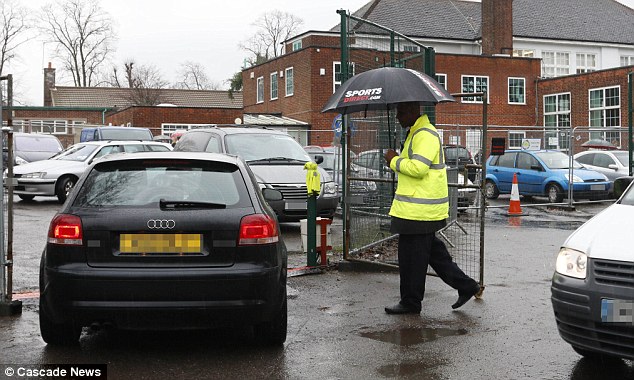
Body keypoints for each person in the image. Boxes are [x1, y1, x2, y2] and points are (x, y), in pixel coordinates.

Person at [383, 101, 481, 315]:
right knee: (434, 255)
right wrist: (397, 160)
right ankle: (466, 286)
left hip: (419, 211)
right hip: (415, 209)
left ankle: (411, 302)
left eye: (400, 112)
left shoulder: (425, 134)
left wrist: (393, 160)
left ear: (412, 111)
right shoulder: (415, 133)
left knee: (412, 259)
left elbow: (418, 168)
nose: (397, 117)